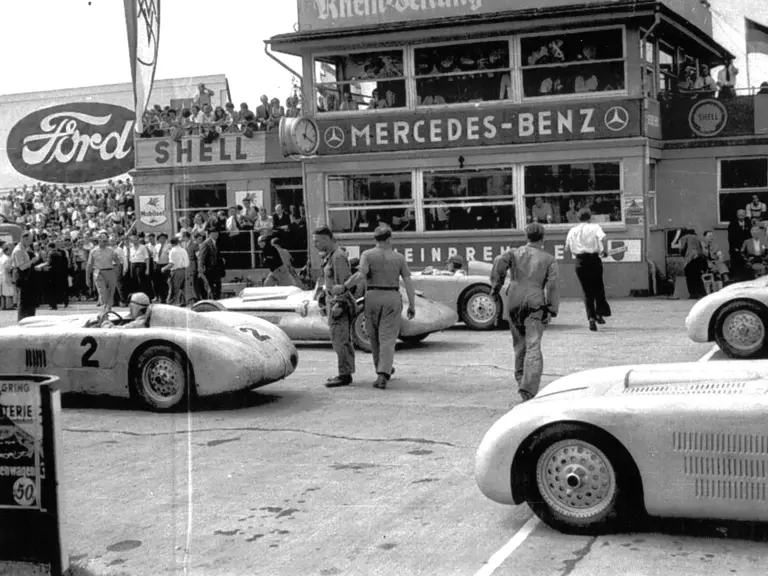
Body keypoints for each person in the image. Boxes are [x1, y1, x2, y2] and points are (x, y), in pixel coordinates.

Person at [490, 222, 559, 403]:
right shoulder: (549, 259)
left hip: (514, 299)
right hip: (535, 302)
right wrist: (552, 308)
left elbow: (499, 261)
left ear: (526, 237)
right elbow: (552, 285)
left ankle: (521, 382)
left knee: (519, 345)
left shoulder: (513, 253)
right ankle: (529, 390)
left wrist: (495, 287)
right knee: (533, 345)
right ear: (543, 238)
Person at [344, 225, 416, 389]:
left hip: (373, 296)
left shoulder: (367, 255)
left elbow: (361, 274)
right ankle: (383, 372)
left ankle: (382, 369)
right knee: (388, 338)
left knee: (374, 337)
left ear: (375, 239)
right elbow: (408, 282)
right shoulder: (399, 258)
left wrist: (345, 286)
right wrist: (411, 304)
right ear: (390, 239)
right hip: (392, 296)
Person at [313, 226, 356, 388]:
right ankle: (345, 371)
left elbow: (343, 283)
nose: (315, 244)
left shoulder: (338, 257)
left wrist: (339, 304)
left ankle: (345, 374)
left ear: (326, 239)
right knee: (338, 339)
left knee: (340, 340)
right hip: (333, 302)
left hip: (339, 304)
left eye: (317, 241)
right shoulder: (331, 256)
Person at [564, 209, 611, 331]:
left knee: (587, 291)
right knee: (598, 287)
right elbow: (604, 239)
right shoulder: (595, 227)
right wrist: (604, 251)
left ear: (578, 218)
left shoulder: (572, 230)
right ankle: (600, 313)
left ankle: (591, 318)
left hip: (580, 261)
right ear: (590, 217)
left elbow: (566, 248)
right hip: (594, 260)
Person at [11, 231, 44, 321]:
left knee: (29, 300)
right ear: (24, 239)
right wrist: (32, 261)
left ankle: (29, 319)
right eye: (29, 240)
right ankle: (22, 320)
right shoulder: (18, 250)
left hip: (27, 277)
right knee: (23, 300)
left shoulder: (24, 248)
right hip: (22, 277)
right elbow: (21, 267)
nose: (31, 242)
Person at [86, 232, 122, 313]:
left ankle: (107, 309)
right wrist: (87, 279)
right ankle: (104, 305)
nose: (106, 243)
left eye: (106, 241)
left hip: (110, 271)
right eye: (104, 241)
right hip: (99, 273)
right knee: (102, 292)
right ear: (99, 240)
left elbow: (118, 262)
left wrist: (117, 267)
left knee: (111, 291)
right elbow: (89, 266)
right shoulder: (93, 251)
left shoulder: (111, 250)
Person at [679, 228, 708, 298]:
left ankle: (693, 294)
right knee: (698, 277)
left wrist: (683, 256)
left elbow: (682, 249)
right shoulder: (698, 238)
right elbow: (703, 250)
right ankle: (702, 293)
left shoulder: (684, 237)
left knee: (690, 278)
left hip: (690, 259)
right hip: (701, 259)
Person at [199, 223, 225, 300]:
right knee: (212, 289)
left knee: (218, 288)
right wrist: (201, 269)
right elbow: (202, 258)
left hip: (216, 270)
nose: (216, 234)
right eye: (214, 233)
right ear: (210, 234)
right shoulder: (206, 244)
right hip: (209, 270)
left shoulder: (216, 243)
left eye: (217, 233)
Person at [163, 237, 189, 306]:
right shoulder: (183, 250)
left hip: (176, 271)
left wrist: (164, 268)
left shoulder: (172, 251)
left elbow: (172, 264)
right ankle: (184, 303)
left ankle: (171, 304)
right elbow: (187, 262)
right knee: (183, 289)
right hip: (184, 270)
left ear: (171, 243)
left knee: (173, 289)